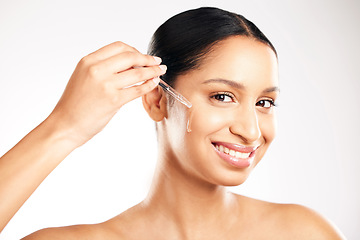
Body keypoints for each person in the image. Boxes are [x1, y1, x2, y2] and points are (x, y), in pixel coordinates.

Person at [0, 7, 345, 239]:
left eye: (264, 103)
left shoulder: (303, 232)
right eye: (222, 96)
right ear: (157, 100)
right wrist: (63, 128)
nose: (251, 131)